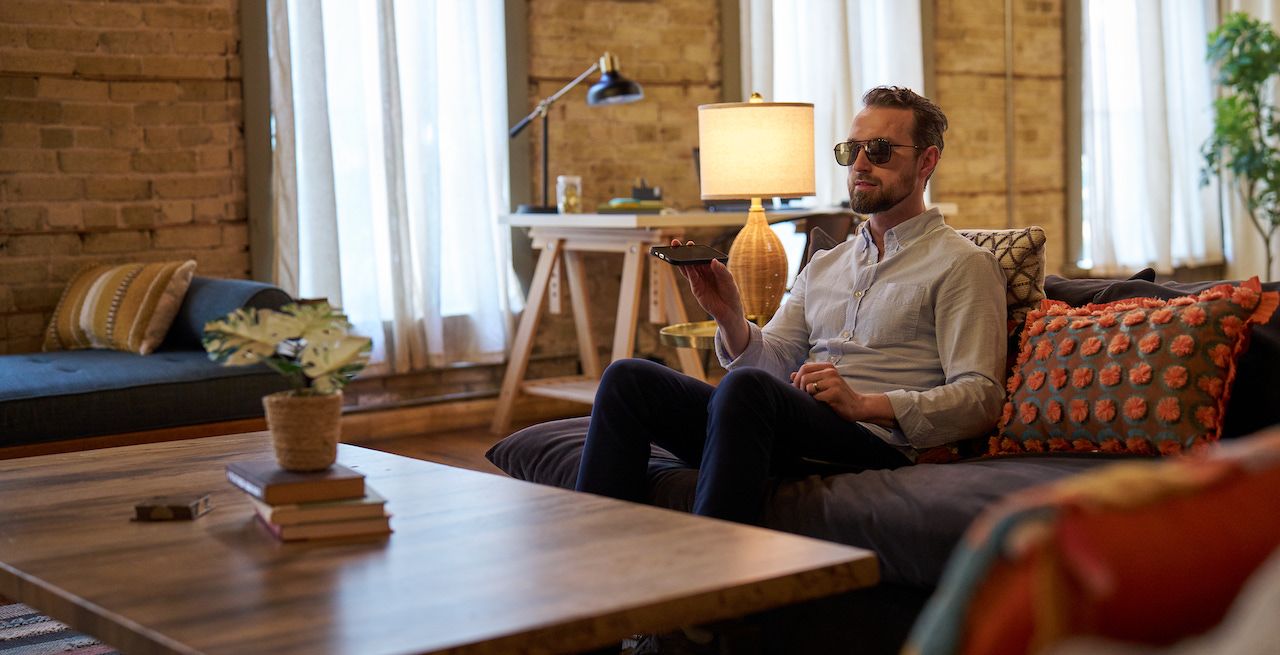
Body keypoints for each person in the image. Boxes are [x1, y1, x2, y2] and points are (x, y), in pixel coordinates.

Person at [575, 86, 1008, 525]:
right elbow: (775, 360)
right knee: (629, 378)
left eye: (878, 150)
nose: (860, 164)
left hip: (872, 441)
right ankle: (597, 564)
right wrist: (729, 316)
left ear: (927, 161)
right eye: (851, 150)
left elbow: (980, 397)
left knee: (746, 393)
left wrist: (864, 403)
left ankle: (712, 577)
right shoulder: (826, 265)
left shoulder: (963, 264)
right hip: (794, 426)